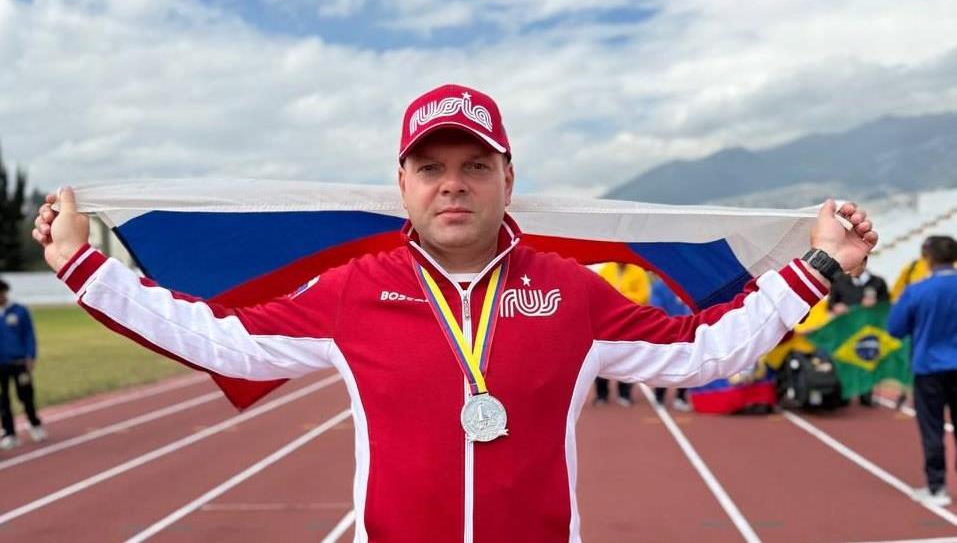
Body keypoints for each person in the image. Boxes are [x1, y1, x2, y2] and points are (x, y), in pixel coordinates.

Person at [33, 83, 877, 542]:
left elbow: (704, 351)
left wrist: (817, 266)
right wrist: (84, 266)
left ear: (508, 177)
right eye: (431, 166)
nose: (453, 184)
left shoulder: (571, 291)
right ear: (401, 182)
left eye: (474, 165)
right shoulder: (353, 292)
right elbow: (221, 339)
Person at [888, 235, 957, 507]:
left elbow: (895, 328)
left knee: (932, 428)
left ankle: (937, 487)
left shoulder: (917, 290)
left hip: (929, 368)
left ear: (928, 258)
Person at [827, 255, 890, 406]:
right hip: (846, 329)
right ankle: (845, 394)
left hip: (868, 331)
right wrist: (836, 307)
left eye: (854, 263)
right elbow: (830, 305)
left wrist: (876, 304)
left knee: (866, 362)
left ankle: (866, 395)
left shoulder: (878, 282)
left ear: (864, 262)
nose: (849, 267)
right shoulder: (839, 282)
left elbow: (887, 306)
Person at [593, 263, 650, 407]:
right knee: (602, 358)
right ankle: (601, 394)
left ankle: (624, 394)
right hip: (607, 322)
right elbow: (598, 293)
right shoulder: (606, 270)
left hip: (630, 322)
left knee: (627, 358)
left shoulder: (638, 272)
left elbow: (643, 296)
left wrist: (619, 295)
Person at [0, 278, 46, 450]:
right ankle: (9, 433)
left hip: (19, 362)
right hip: (1, 364)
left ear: (5, 292)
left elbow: (29, 335)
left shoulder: (19, 311)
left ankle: (34, 424)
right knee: (3, 401)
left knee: (26, 396)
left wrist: (30, 356)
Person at [649, 275, 692, 411]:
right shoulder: (659, 286)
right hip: (666, 331)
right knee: (664, 364)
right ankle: (659, 397)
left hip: (686, 330)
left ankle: (681, 397)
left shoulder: (686, 284)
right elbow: (656, 308)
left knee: (685, 365)